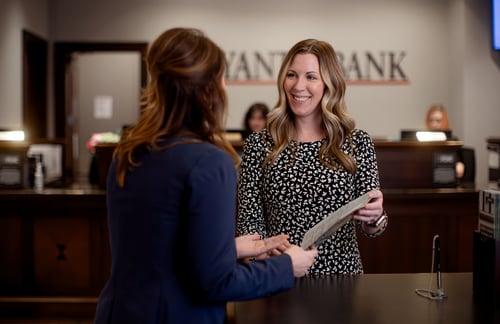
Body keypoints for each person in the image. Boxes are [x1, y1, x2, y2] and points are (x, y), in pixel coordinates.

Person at [93, 28, 317, 324]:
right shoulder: (210, 162)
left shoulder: (128, 152)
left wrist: (227, 248)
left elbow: (155, 249)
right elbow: (216, 282)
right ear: (208, 90)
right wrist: (287, 266)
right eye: (222, 78)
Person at [236, 38, 387, 275]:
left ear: (329, 83)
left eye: (311, 77)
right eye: (292, 75)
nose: (298, 86)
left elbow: (373, 228)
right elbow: (249, 225)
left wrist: (375, 217)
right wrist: (268, 257)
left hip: (341, 278)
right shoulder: (259, 144)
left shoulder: (356, 142)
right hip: (278, 277)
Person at [424, 104, 466, 180]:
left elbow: (460, 168)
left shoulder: (453, 141)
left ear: (444, 121)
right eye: (431, 120)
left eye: (438, 121)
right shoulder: (423, 140)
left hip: (447, 178)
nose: (434, 124)